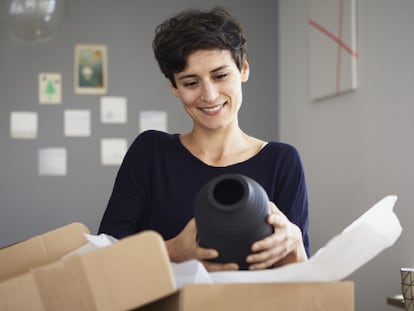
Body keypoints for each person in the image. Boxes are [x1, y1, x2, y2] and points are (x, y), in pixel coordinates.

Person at [98, 7, 309, 271]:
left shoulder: (282, 161)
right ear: (175, 87)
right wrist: (174, 251)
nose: (208, 95)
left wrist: (297, 245)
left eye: (220, 76)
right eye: (190, 82)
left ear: (243, 68)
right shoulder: (151, 152)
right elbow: (105, 255)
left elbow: (300, 279)